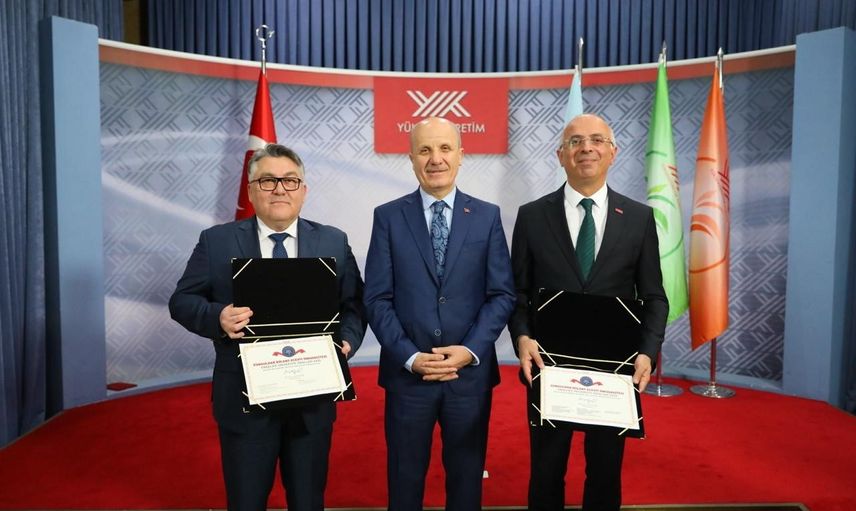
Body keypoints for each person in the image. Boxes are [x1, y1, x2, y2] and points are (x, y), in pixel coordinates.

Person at [169, 144, 366, 511]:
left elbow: (353, 305)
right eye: (267, 181)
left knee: (308, 501)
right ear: (250, 190)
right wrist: (218, 317)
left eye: (290, 181)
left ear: (303, 190)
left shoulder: (333, 241)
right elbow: (181, 301)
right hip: (244, 400)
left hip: (312, 397)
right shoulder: (217, 241)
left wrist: (347, 343)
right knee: (246, 501)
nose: (279, 189)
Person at [508, 113, 668, 511]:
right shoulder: (532, 216)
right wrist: (522, 337)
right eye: (575, 141)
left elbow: (654, 296)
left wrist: (647, 352)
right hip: (547, 366)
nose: (586, 148)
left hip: (614, 371)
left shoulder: (639, 218)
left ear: (613, 152)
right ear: (561, 154)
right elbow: (517, 292)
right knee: (546, 472)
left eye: (597, 140)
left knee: (605, 473)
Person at [363, 117, 515, 511]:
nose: (436, 159)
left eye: (445, 148)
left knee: (466, 481)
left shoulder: (486, 215)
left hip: (469, 377)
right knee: (404, 481)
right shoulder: (388, 217)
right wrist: (410, 356)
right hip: (407, 376)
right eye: (425, 150)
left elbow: (501, 294)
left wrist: (470, 350)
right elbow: (376, 298)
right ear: (411, 158)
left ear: (461, 155)